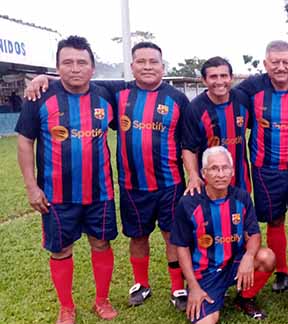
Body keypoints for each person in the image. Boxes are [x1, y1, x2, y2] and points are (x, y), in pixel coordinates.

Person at [24, 42, 191, 310]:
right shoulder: (118, 92)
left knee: (172, 235)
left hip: (171, 183)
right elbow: (80, 78)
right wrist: (45, 77)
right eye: (141, 61)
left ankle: (177, 288)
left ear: (163, 66)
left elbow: (189, 143)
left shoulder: (178, 99)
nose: (147, 66)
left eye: (153, 62)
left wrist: (193, 176)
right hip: (132, 185)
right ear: (132, 66)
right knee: (138, 236)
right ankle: (141, 284)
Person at [16, 35, 118, 324]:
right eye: (67, 62)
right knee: (61, 249)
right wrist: (31, 187)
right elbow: (24, 142)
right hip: (56, 194)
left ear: (93, 68)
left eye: (81, 62)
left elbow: (140, 84)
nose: (75, 68)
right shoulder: (39, 97)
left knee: (101, 243)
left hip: (100, 191)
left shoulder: (106, 95)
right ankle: (66, 307)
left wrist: (44, 77)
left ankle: (102, 300)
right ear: (57, 67)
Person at [170, 146, 275, 324]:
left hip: (235, 264)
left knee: (267, 257)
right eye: (214, 168)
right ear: (204, 173)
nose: (220, 174)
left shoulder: (241, 197)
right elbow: (182, 247)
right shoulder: (188, 203)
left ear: (232, 172)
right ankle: (206, 292)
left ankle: (244, 299)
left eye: (225, 168)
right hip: (206, 272)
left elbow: (254, 234)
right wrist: (193, 286)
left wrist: (248, 257)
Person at [232, 40, 288, 293]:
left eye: (286, 62)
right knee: (275, 220)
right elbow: (224, 97)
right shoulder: (252, 87)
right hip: (265, 169)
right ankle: (282, 272)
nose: (281, 67)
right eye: (275, 62)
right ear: (266, 64)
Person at [182, 56, 250, 194]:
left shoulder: (243, 100)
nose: (219, 81)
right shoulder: (195, 109)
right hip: (209, 184)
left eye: (224, 76)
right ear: (204, 80)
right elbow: (188, 148)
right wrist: (193, 176)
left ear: (231, 78)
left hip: (241, 182)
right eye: (213, 77)